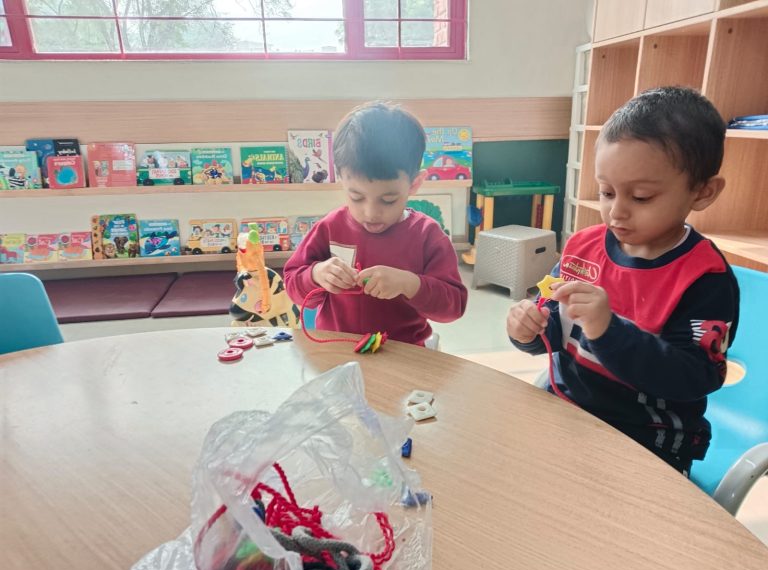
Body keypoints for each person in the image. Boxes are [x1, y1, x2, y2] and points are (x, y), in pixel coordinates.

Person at [506, 86, 740, 475]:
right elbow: (549, 319)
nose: (617, 211)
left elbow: (694, 377)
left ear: (703, 192)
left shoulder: (704, 279)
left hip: (646, 442)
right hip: (568, 414)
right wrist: (527, 328)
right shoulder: (582, 247)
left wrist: (608, 330)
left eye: (641, 197)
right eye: (607, 192)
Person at [284, 101, 467, 345]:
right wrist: (316, 275)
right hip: (337, 349)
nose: (370, 213)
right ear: (341, 180)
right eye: (356, 197)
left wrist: (410, 284)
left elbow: (453, 307)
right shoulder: (329, 227)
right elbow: (292, 284)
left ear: (414, 184)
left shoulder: (427, 235)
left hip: (402, 353)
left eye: (388, 200)